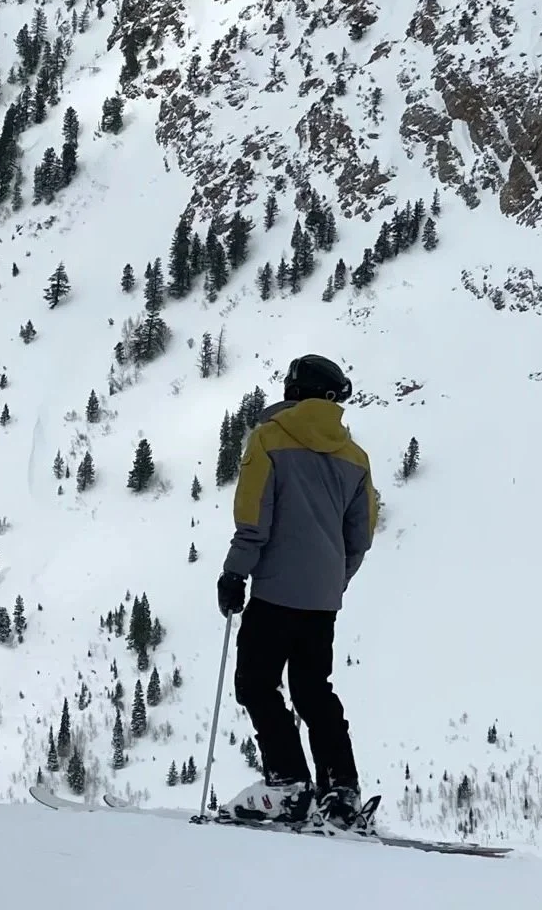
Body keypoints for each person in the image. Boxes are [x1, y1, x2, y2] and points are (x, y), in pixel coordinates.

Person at [217, 353, 376, 828]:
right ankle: (341, 792)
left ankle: (288, 784)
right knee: (313, 690)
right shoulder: (355, 458)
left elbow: (253, 521)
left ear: (294, 391)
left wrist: (234, 575)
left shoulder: (268, 440)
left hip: (273, 592)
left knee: (256, 683)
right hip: (322, 599)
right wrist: (333, 580)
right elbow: (360, 536)